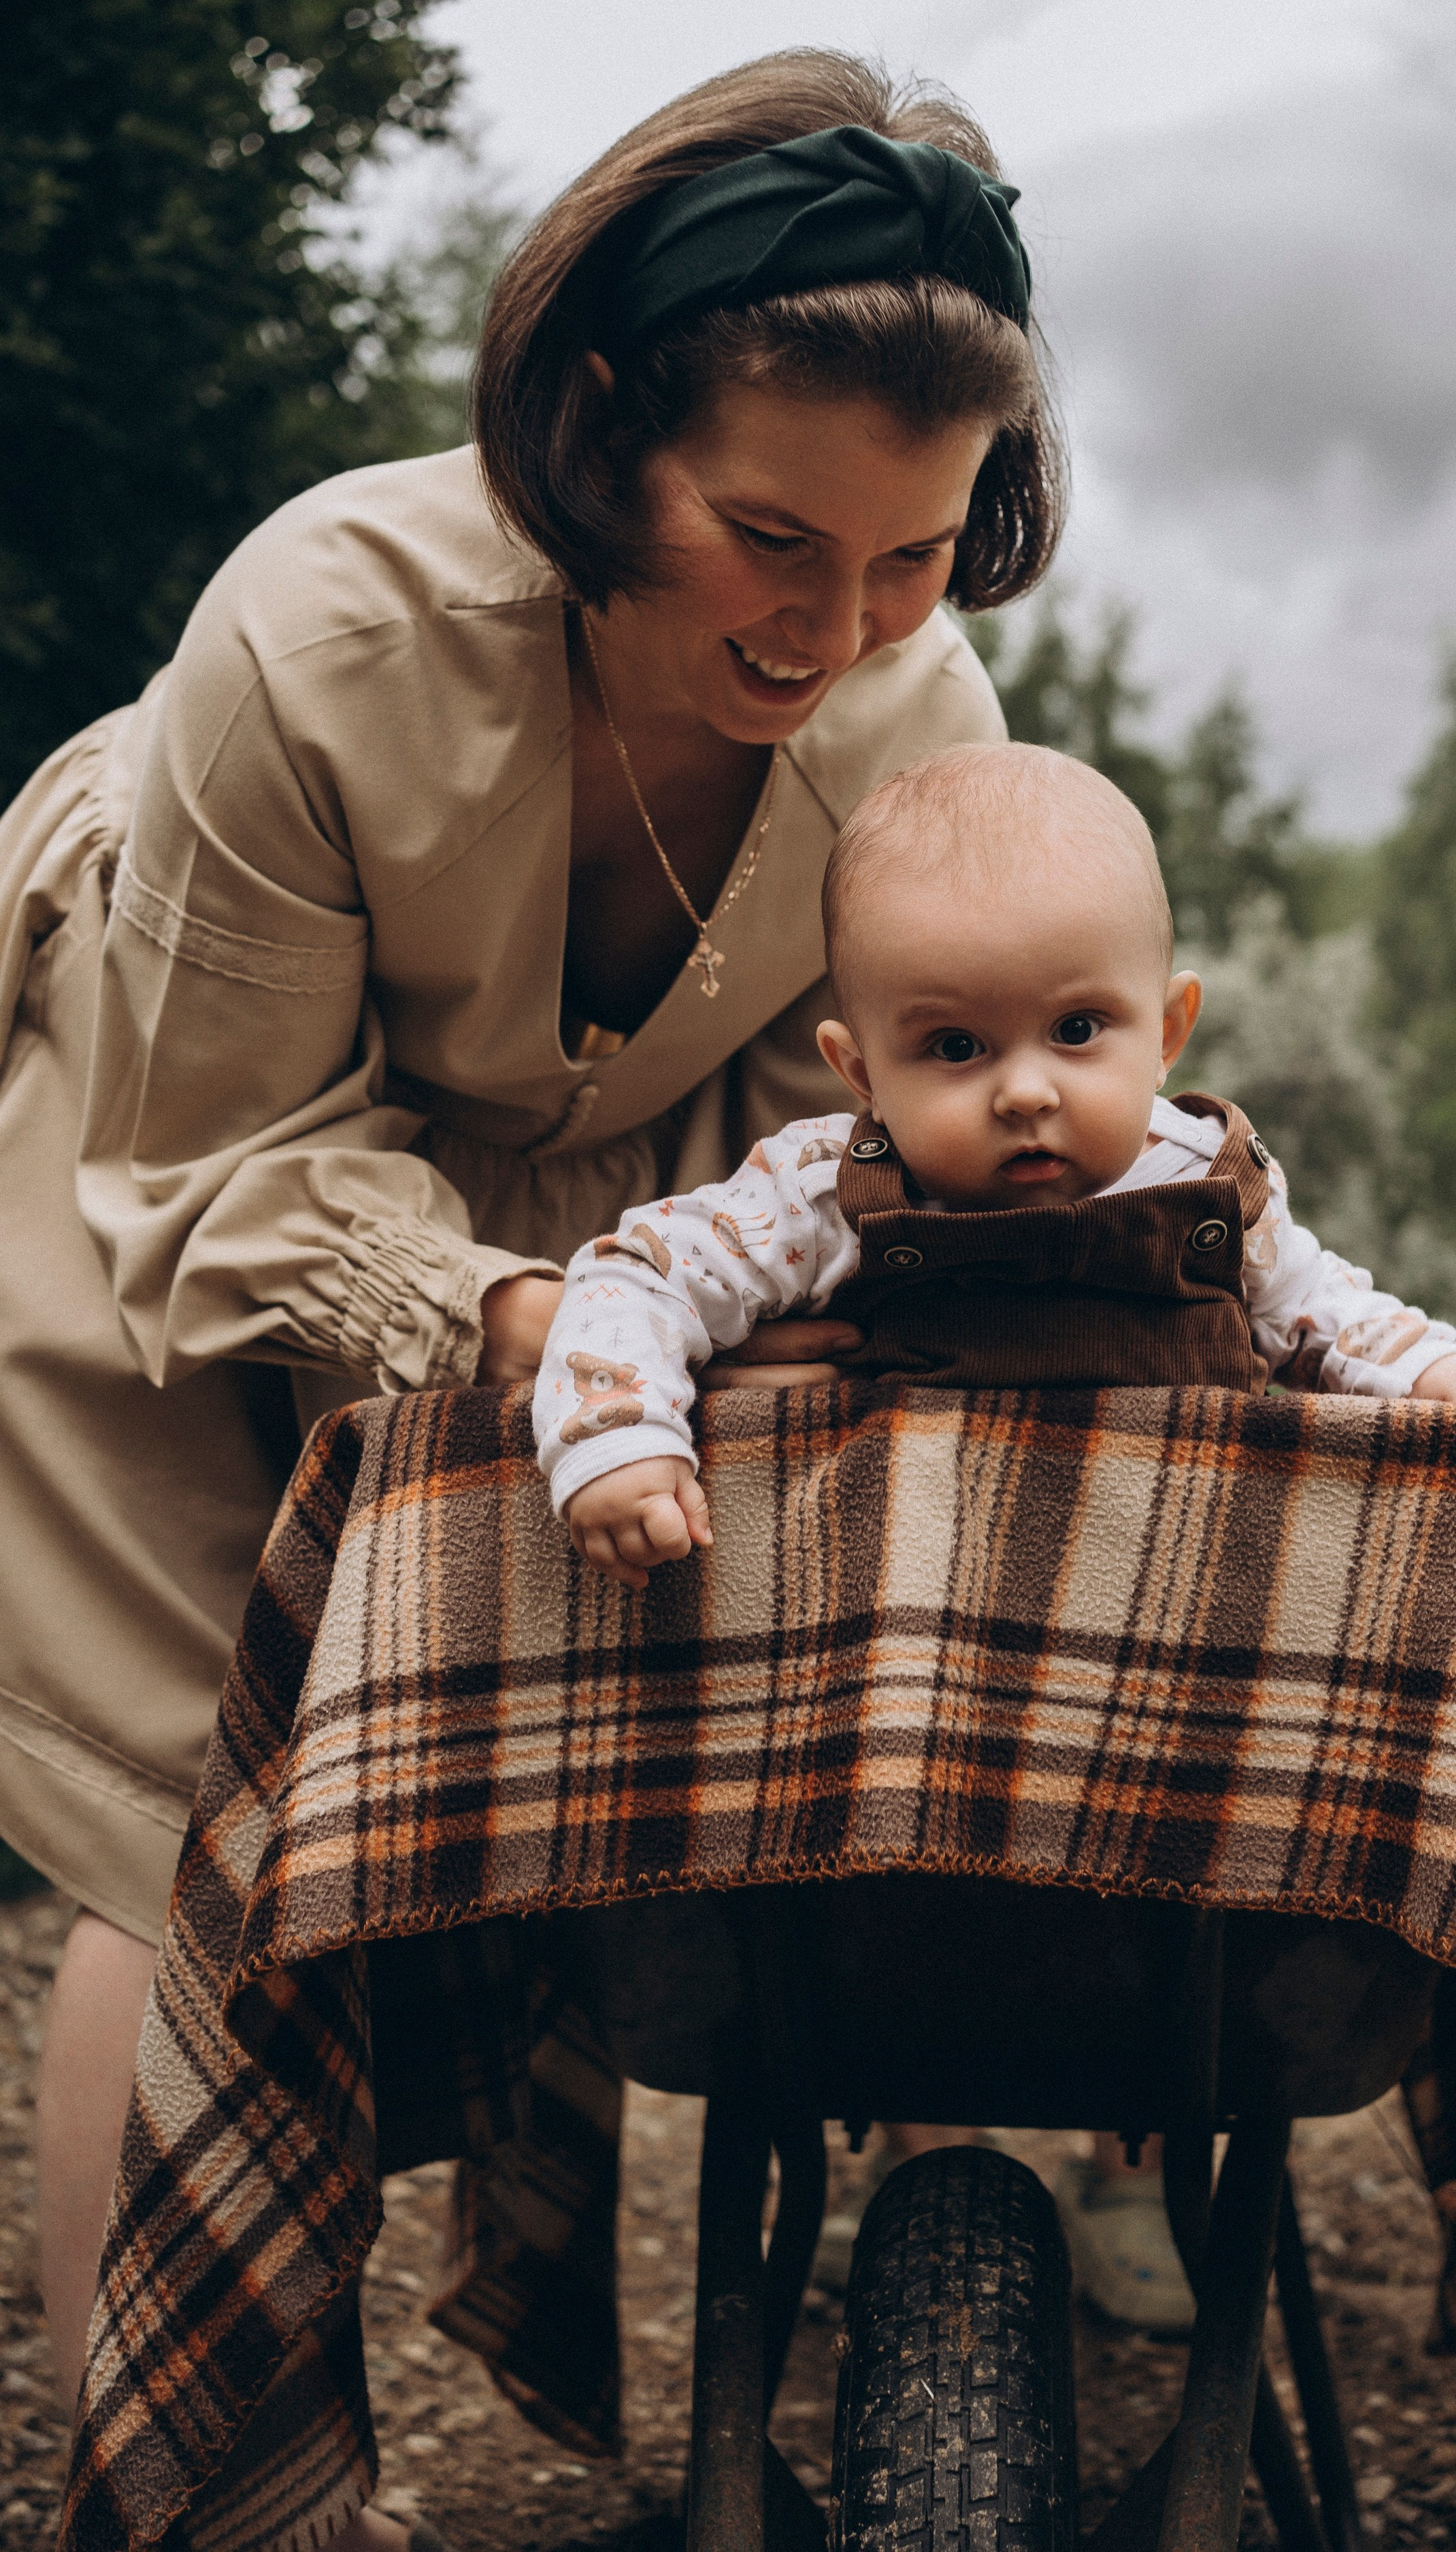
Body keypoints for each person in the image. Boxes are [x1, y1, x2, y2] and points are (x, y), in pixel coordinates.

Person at [0, 50, 1064, 2535]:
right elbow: (216, 1151)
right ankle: (186, 2496)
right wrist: (510, 1326)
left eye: (913, 555)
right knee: (192, 1836)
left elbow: (931, 1097)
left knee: (652, 1718)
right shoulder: (325, 624)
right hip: (187, 1136)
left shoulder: (916, 701)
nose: (839, 629)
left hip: (609, 1200)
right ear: (597, 428)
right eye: (773, 537)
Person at [533, 740, 1456, 2334]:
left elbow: (1336, 1322)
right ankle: (918, 2135)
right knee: (906, 1893)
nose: (1023, 1087)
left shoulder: (1208, 1191)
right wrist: (617, 1437)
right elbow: (634, 1273)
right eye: (951, 1046)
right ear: (857, 1072)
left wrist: (1451, 1396)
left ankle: (1142, 2159)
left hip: (1177, 1705)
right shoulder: (819, 1192)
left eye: (1077, 1031)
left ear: (1167, 1026)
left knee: (1195, 1870)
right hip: (907, 1724)